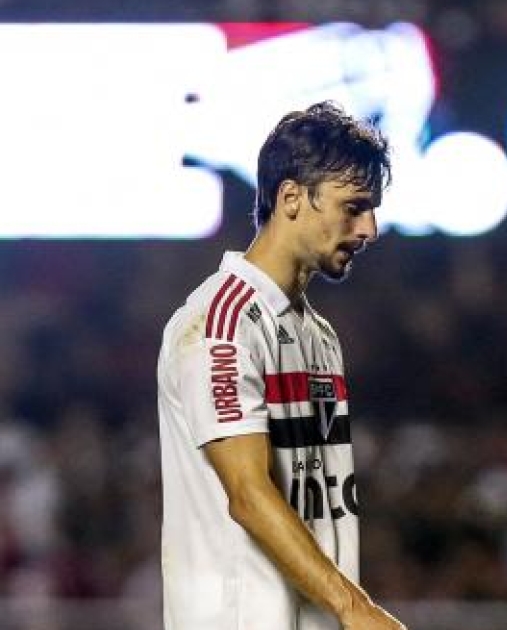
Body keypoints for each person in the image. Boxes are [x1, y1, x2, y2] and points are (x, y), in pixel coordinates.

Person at [157, 101, 405, 630]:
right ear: (291, 197)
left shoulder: (319, 335)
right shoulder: (220, 326)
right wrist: (355, 607)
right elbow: (248, 495)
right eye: (354, 207)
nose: (369, 229)